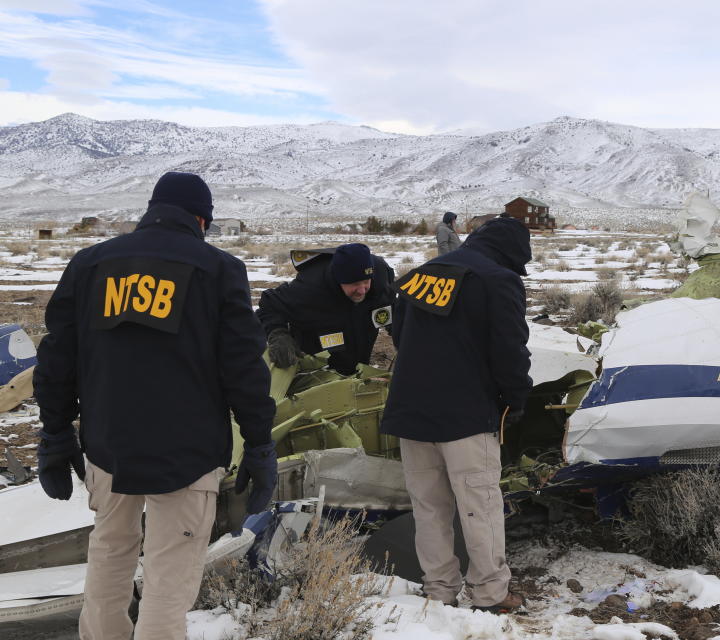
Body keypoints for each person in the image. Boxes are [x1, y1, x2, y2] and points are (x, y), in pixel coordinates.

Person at [34, 172, 277, 640]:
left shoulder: (89, 264)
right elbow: (245, 371)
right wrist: (260, 443)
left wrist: (55, 433)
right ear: (202, 220)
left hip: (108, 444)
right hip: (187, 452)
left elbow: (57, 359)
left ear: (151, 210)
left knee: (109, 550)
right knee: (170, 574)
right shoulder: (219, 269)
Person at [380, 216, 532, 613]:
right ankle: (491, 593)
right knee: (479, 505)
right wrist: (515, 399)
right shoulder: (498, 280)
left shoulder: (420, 275)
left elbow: (399, 336)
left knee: (429, 507)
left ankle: (439, 590)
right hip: (465, 414)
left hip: (410, 410)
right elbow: (509, 351)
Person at [257, 243, 395, 375]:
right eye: (355, 283)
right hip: (318, 368)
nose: (362, 290)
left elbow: (392, 309)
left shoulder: (381, 279)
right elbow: (268, 305)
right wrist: (278, 334)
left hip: (360, 360)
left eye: (366, 282)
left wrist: (401, 334)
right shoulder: (308, 288)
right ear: (339, 279)